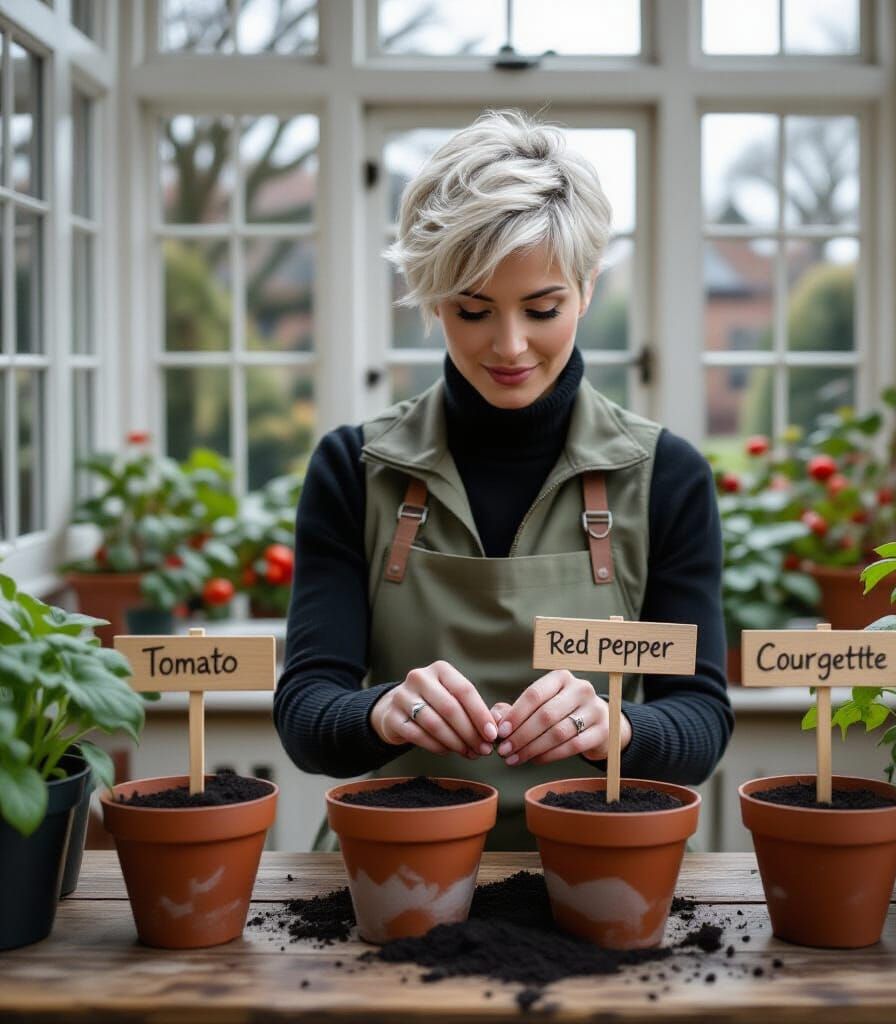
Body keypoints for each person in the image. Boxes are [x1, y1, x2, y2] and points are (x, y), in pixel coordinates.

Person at [274, 108, 734, 850]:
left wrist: (617, 727)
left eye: (543, 308)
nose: (510, 345)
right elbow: (305, 714)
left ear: (586, 289)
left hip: (599, 864)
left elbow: (701, 723)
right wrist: (379, 713)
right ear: (431, 299)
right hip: (397, 865)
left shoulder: (665, 476)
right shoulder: (354, 469)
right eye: (474, 310)